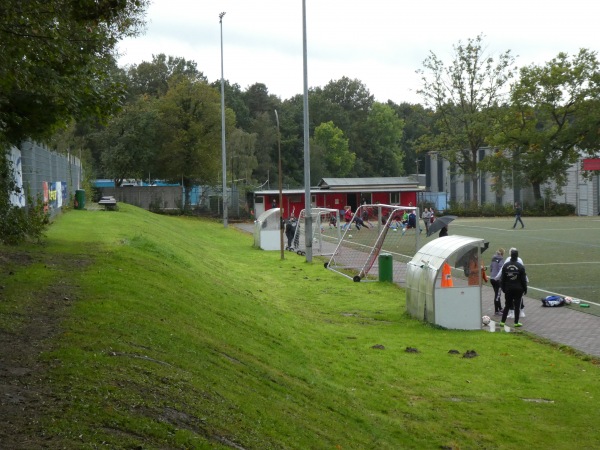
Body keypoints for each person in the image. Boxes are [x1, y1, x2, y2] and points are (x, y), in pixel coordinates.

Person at [499, 248, 528, 328]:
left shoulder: (506, 265)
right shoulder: (520, 266)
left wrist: (503, 288)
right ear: (517, 256)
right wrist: (525, 289)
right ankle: (516, 322)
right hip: (518, 288)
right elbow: (523, 279)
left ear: (510, 256)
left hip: (508, 288)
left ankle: (502, 322)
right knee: (517, 305)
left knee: (507, 305)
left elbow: (503, 279)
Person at [489, 248, 505, 315]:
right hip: (497, 280)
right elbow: (500, 270)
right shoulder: (501, 259)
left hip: (492, 279)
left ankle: (500, 308)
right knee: (497, 295)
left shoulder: (493, 258)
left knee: (497, 294)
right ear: (502, 253)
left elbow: (491, 268)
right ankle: (496, 311)